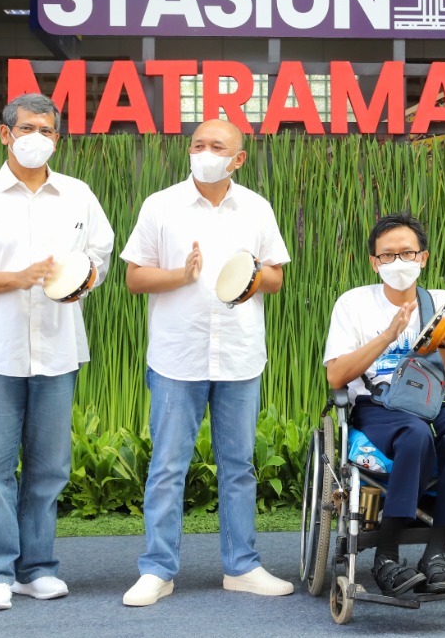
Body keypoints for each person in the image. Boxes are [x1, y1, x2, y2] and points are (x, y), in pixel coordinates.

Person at [0, 93, 114, 612]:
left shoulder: (79, 195)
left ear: (57, 139)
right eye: (28, 128)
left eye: (47, 130)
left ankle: (36, 568)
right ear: (5, 134)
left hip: (58, 347)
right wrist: (17, 279)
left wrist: (83, 282)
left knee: (49, 465)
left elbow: (100, 256)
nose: (37, 138)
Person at [120, 119, 294, 606]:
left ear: (238, 158)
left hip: (239, 356)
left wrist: (249, 278)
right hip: (178, 356)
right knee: (167, 466)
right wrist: (182, 274)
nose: (206, 151)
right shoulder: (161, 205)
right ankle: (157, 569)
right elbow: (134, 278)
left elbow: (276, 276)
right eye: (198, 144)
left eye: (218, 145)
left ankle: (242, 566)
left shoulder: (256, 208)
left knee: (238, 467)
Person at [323, 213, 445, 598]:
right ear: (374, 262)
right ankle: (387, 557)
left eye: (407, 253)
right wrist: (390, 334)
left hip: (430, 397)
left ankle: (436, 554)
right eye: (388, 255)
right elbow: (336, 377)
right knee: (413, 436)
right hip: (378, 404)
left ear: (423, 258)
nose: (398, 263)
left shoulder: (441, 302)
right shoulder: (354, 303)